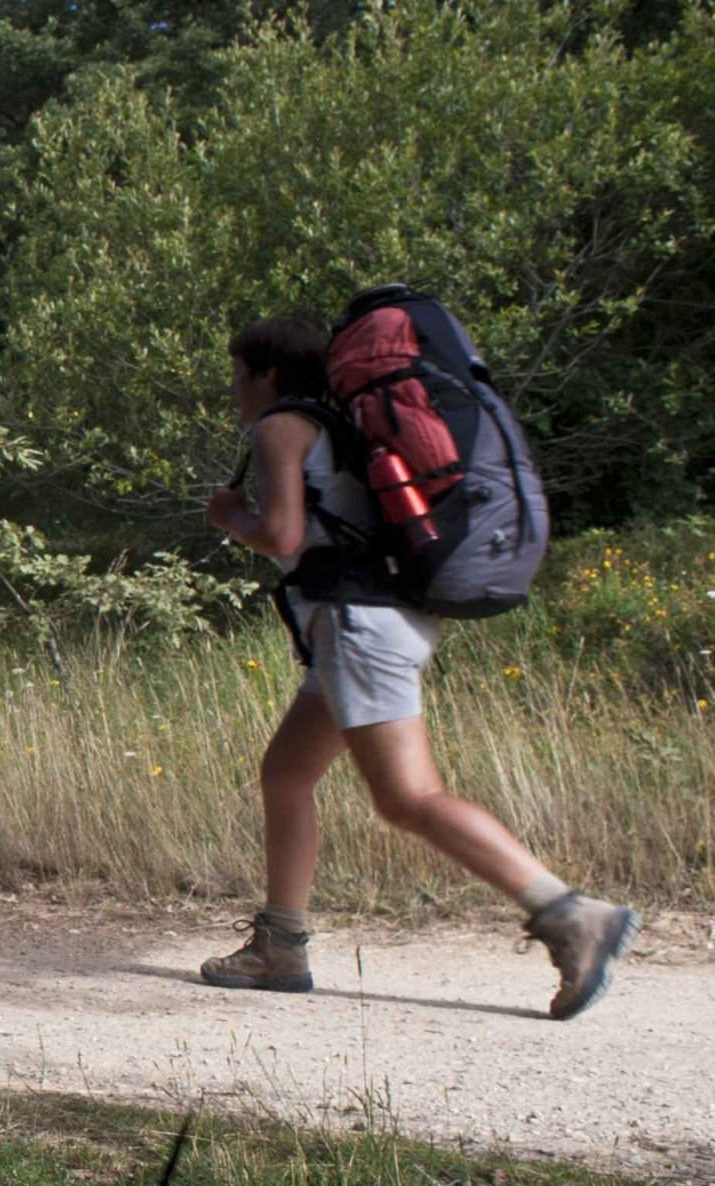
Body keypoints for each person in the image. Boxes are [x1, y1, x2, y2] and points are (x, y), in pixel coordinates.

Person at [202, 315, 639, 1019]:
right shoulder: (340, 422)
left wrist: (232, 516)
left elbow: (280, 533)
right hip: (374, 618)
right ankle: (280, 943)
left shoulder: (281, 426)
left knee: (407, 796)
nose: (234, 389)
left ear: (268, 374)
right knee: (286, 771)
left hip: (356, 624)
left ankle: (569, 912)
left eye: (238, 373)